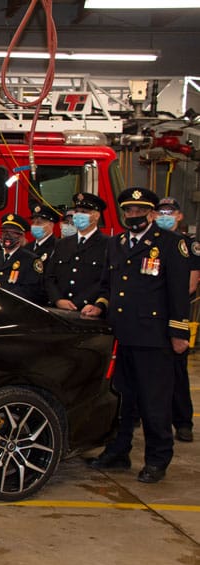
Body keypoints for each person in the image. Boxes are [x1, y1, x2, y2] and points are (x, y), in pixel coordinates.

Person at [83, 187, 191, 483]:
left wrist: (179, 333)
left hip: (153, 338)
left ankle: (157, 459)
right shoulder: (116, 243)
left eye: (140, 211)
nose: (133, 216)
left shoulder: (171, 244)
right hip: (121, 335)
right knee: (122, 400)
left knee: (153, 403)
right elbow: (108, 284)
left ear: (152, 213)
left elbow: (179, 292)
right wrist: (98, 305)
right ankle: (118, 452)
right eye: (128, 211)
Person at [154, 196, 199, 443]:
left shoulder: (187, 245)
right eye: (160, 212)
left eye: (169, 212)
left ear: (179, 216)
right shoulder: (152, 243)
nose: (164, 216)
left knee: (177, 373)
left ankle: (183, 422)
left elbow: (189, 286)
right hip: (151, 318)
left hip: (174, 315)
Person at [45, 193, 109, 312]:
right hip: (59, 310)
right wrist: (57, 299)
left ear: (96, 216)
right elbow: (49, 277)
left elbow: (106, 280)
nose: (78, 215)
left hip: (88, 309)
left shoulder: (108, 244)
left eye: (84, 212)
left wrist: (81, 302)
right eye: (77, 211)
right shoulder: (62, 244)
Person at [0, 213, 44, 304]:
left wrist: (3, 299)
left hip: (15, 308)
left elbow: (31, 290)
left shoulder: (31, 260)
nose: (7, 236)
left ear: (21, 236)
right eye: (4, 232)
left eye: (12, 233)